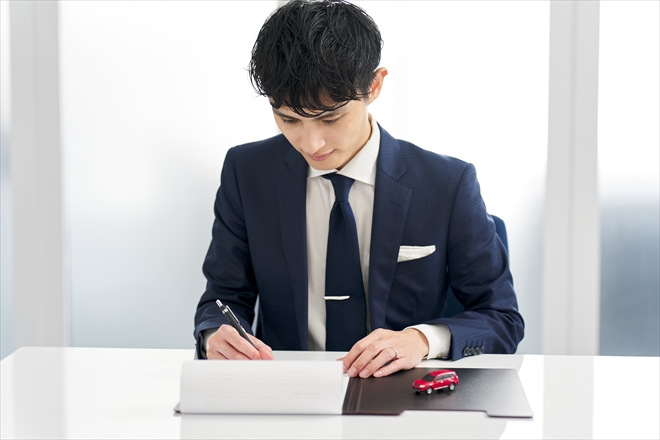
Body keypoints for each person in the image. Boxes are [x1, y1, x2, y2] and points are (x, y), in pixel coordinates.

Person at [194, 0, 524, 378]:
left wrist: (422, 340)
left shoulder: (447, 184)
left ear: (374, 85)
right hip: (287, 389)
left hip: (403, 393)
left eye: (330, 118)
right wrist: (215, 336)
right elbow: (223, 297)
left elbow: (501, 318)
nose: (311, 144)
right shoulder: (247, 171)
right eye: (288, 119)